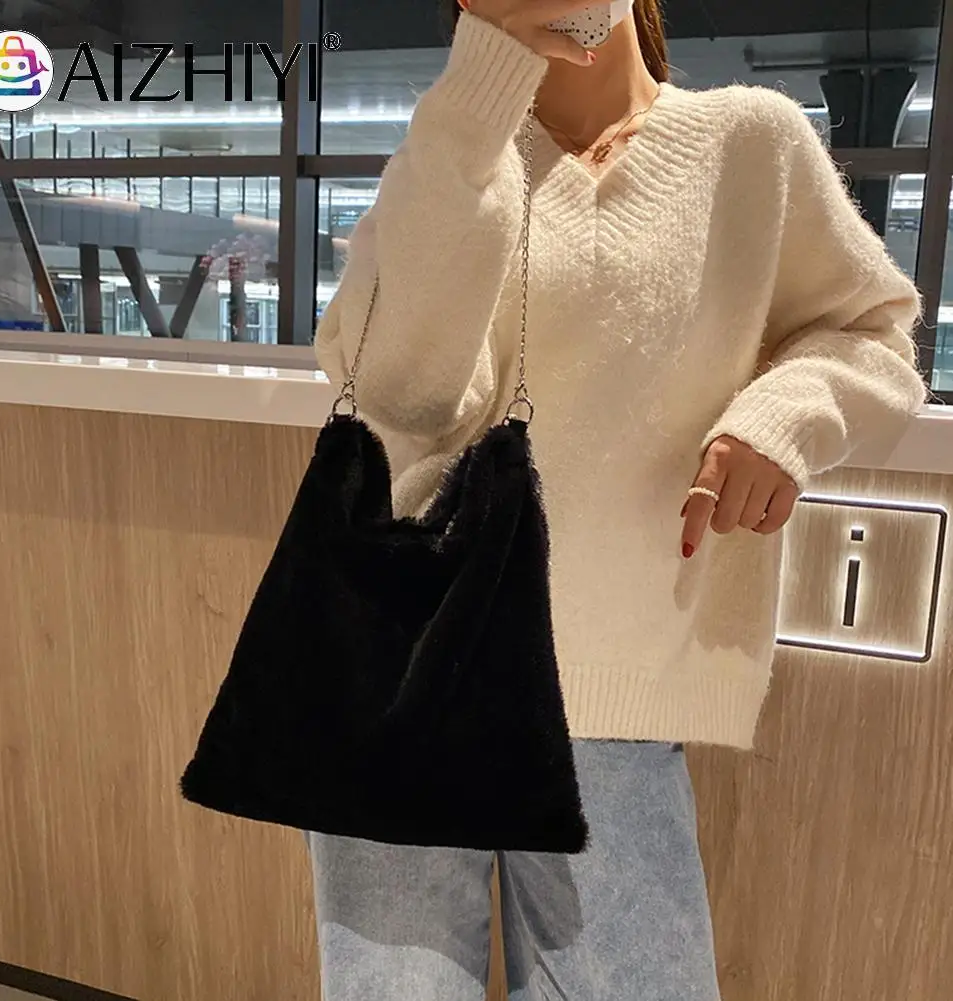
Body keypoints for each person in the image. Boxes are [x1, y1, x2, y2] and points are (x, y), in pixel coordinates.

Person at [310, 1, 928, 998]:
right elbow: (400, 391)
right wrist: (471, 105)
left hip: (609, 683)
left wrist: (780, 418)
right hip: (396, 658)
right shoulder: (451, 151)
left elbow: (870, 334)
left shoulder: (750, 141)